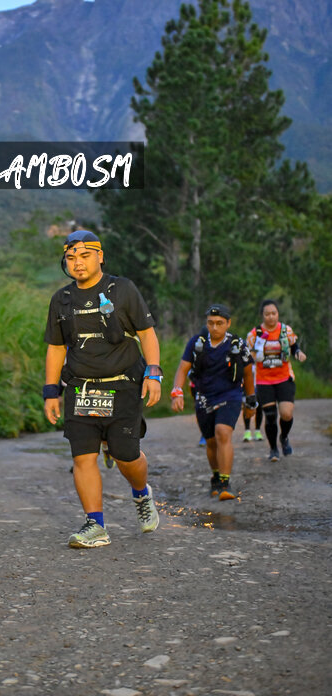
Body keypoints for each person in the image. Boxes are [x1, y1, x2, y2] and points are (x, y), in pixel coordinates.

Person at [43, 230, 162, 548]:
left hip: (122, 386)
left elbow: (147, 333)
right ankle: (95, 525)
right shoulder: (61, 300)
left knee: (126, 457)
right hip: (80, 389)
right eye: (71, 258)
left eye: (85, 256)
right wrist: (51, 391)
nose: (78, 263)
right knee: (83, 457)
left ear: (100, 256)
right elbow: (56, 348)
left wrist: (153, 373)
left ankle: (141, 494)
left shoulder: (122, 290)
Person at [171, 304, 256, 500]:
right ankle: (216, 478)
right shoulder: (197, 343)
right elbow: (183, 369)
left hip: (230, 395)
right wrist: (177, 392)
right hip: (204, 397)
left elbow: (247, 373)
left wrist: (251, 401)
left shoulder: (237, 345)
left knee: (223, 433)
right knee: (210, 442)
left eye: (219, 323)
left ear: (228, 323)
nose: (215, 327)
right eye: (210, 323)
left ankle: (225, 483)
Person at [246, 299, 306, 461]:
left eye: (274, 313)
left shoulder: (285, 330)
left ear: (278, 314)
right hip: (264, 380)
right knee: (270, 416)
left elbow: (294, 346)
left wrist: (298, 353)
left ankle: (284, 437)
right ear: (262, 315)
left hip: (284, 377)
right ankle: (273, 449)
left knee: (286, 413)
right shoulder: (255, 334)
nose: (271, 317)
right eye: (267, 314)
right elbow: (248, 355)